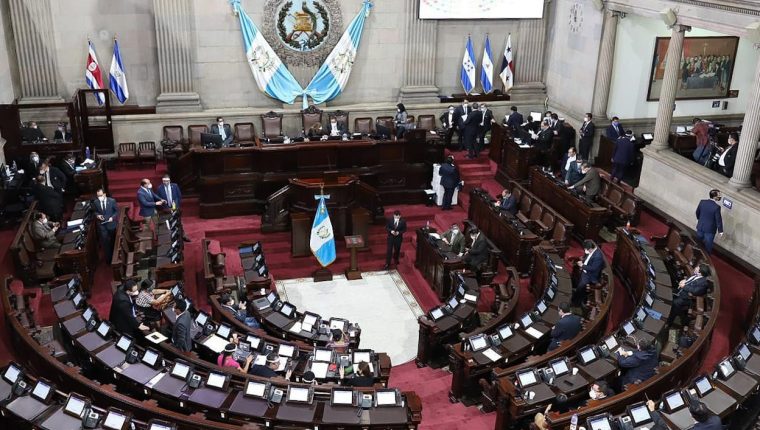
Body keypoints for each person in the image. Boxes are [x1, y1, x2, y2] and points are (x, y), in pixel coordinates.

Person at [155, 174, 190, 242]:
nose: (166, 183)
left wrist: (176, 206)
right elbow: (159, 199)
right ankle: (172, 238)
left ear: (170, 181)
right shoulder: (159, 188)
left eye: (167, 181)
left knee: (178, 222)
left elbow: (179, 197)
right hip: (166, 209)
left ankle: (182, 235)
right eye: (164, 181)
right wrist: (165, 208)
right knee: (169, 223)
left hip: (175, 207)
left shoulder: (175, 186)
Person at [573, 240, 605, 306]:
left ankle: (575, 303)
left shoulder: (598, 257)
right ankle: (575, 297)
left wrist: (582, 265)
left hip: (590, 276)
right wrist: (583, 263)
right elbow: (587, 259)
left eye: (586, 249)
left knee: (580, 288)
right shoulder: (591, 251)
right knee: (578, 285)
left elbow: (593, 268)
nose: (585, 250)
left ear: (590, 249)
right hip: (585, 272)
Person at [92, 188, 118, 262]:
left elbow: (116, 212)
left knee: (113, 241)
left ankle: (114, 256)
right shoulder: (96, 202)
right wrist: (98, 216)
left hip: (111, 223)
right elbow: (95, 212)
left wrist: (112, 218)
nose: (99, 197)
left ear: (104, 194)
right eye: (98, 196)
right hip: (102, 225)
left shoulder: (112, 201)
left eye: (100, 195)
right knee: (105, 241)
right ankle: (108, 259)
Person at [695, 189, 724, 254]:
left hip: (700, 227)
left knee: (697, 244)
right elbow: (718, 220)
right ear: (714, 197)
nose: (720, 196)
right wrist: (720, 231)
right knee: (708, 247)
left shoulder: (702, 202)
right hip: (710, 230)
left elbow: (697, 213)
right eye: (719, 195)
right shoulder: (716, 207)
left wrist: (700, 220)